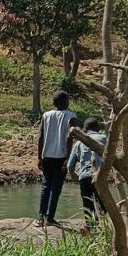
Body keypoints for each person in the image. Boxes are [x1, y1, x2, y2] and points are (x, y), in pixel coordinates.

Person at [37, 90, 79, 227]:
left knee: (45, 187)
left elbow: (41, 137)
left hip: (47, 156)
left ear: (53, 103)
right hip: (61, 157)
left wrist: (39, 157)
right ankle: (50, 218)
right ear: (66, 102)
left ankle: (40, 218)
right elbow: (69, 137)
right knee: (56, 189)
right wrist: (68, 158)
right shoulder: (71, 116)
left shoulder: (46, 115)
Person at [68, 118, 107, 226]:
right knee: (103, 205)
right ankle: (104, 229)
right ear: (98, 128)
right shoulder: (104, 138)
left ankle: (91, 229)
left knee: (88, 206)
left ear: (84, 130)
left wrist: (75, 177)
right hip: (100, 176)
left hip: (84, 177)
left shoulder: (79, 143)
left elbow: (70, 165)